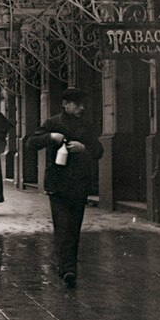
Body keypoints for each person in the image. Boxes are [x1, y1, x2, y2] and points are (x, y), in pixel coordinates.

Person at [27, 87, 104, 287]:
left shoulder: (86, 126)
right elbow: (31, 143)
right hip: (58, 185)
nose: (82, 108)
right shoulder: (52, 123)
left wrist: (83, 148)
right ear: (65, 104)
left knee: (74, 227)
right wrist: (50, 137)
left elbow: (98, 150)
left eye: (82, 104)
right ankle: (67, 268)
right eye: (77, 104)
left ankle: (68, 267)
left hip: (79, 184)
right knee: (62, 227)